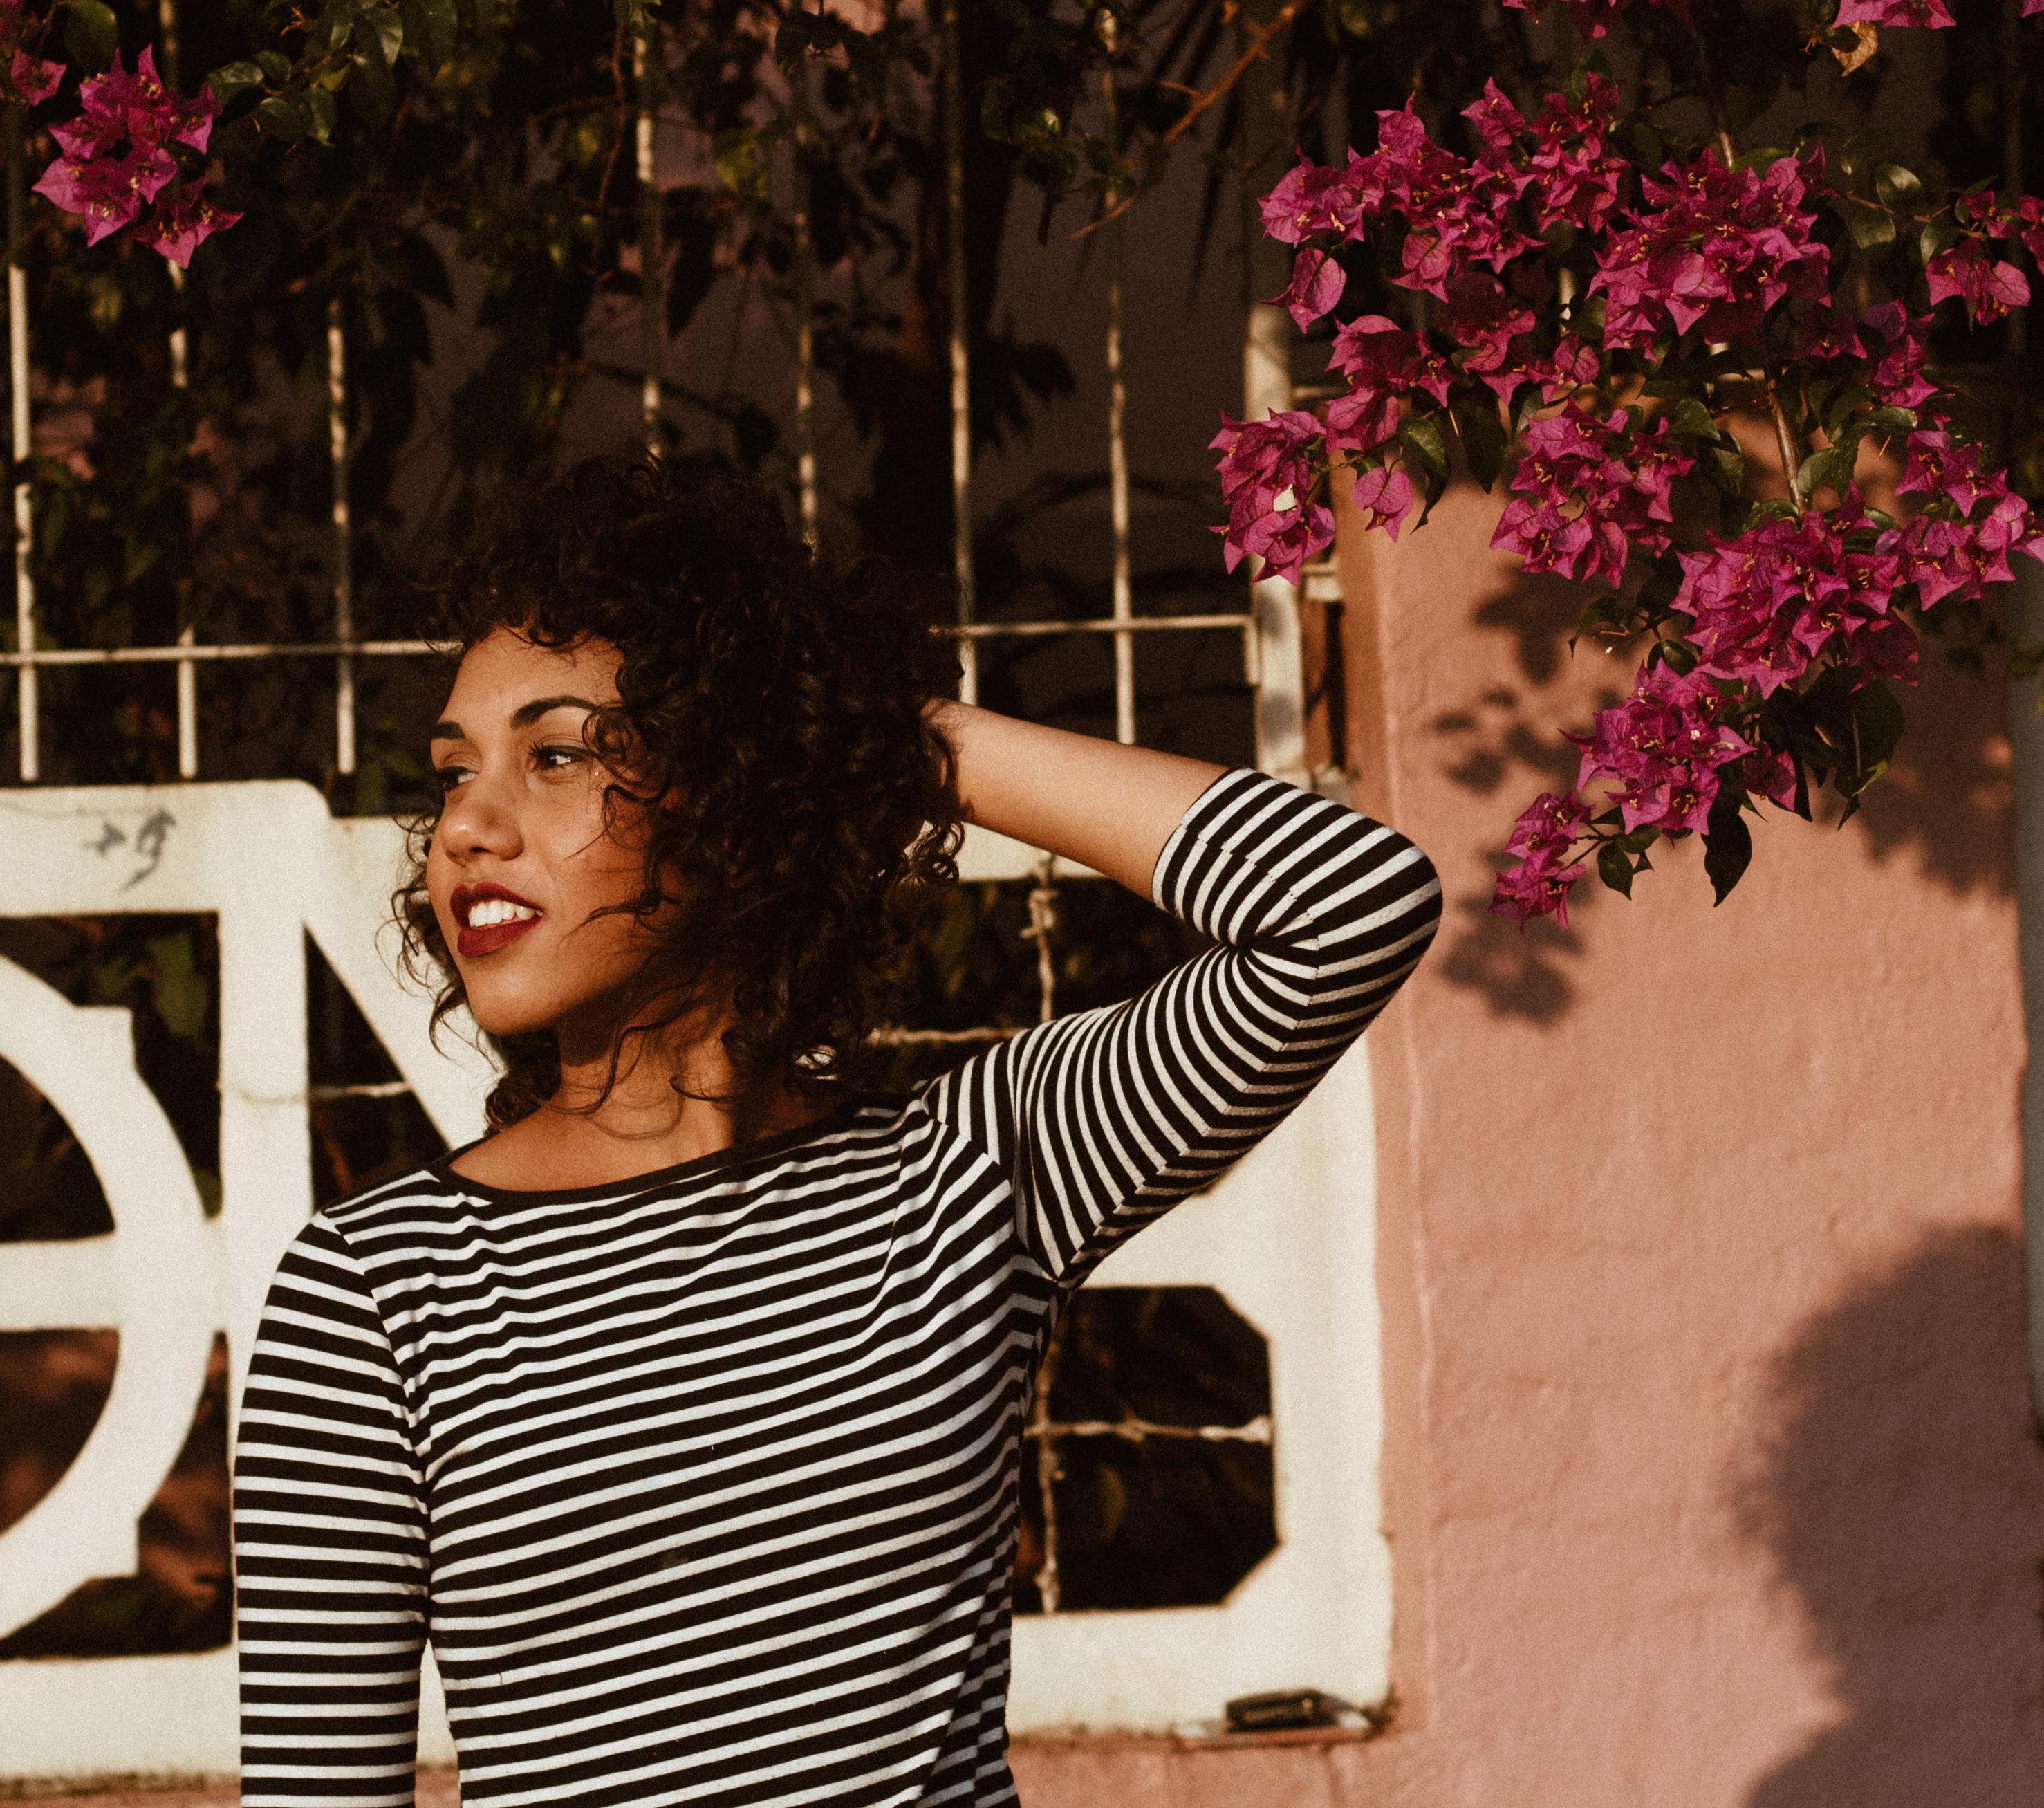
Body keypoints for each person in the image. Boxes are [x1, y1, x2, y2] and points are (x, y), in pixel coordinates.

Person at [231, 454, 1442, 1807]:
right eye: (454, 773)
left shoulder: (973, 1173)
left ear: (734, 795)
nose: (464, 825)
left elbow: (1349, 907)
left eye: (555, 755)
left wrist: (862, 728)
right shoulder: (378, 1290)